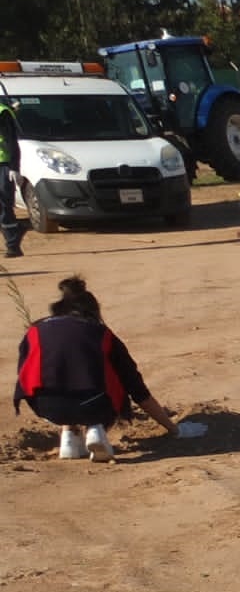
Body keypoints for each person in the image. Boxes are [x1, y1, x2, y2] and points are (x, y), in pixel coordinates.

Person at [14, 276, 182, 460]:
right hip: (94, 406)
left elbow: (25, 373)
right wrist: (173, 428)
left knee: (61, 376)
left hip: (46, 406)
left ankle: (69, 438)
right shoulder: (101, 333)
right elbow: (137, 390)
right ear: (92, 311)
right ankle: (95, 428)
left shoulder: (34, 331)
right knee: (100, 382)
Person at [0, 95, 24, 258]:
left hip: (3, 164)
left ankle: (13, 244)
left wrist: (14, 168)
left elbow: (11, 141)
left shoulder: (2, 112)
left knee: (3, 205)